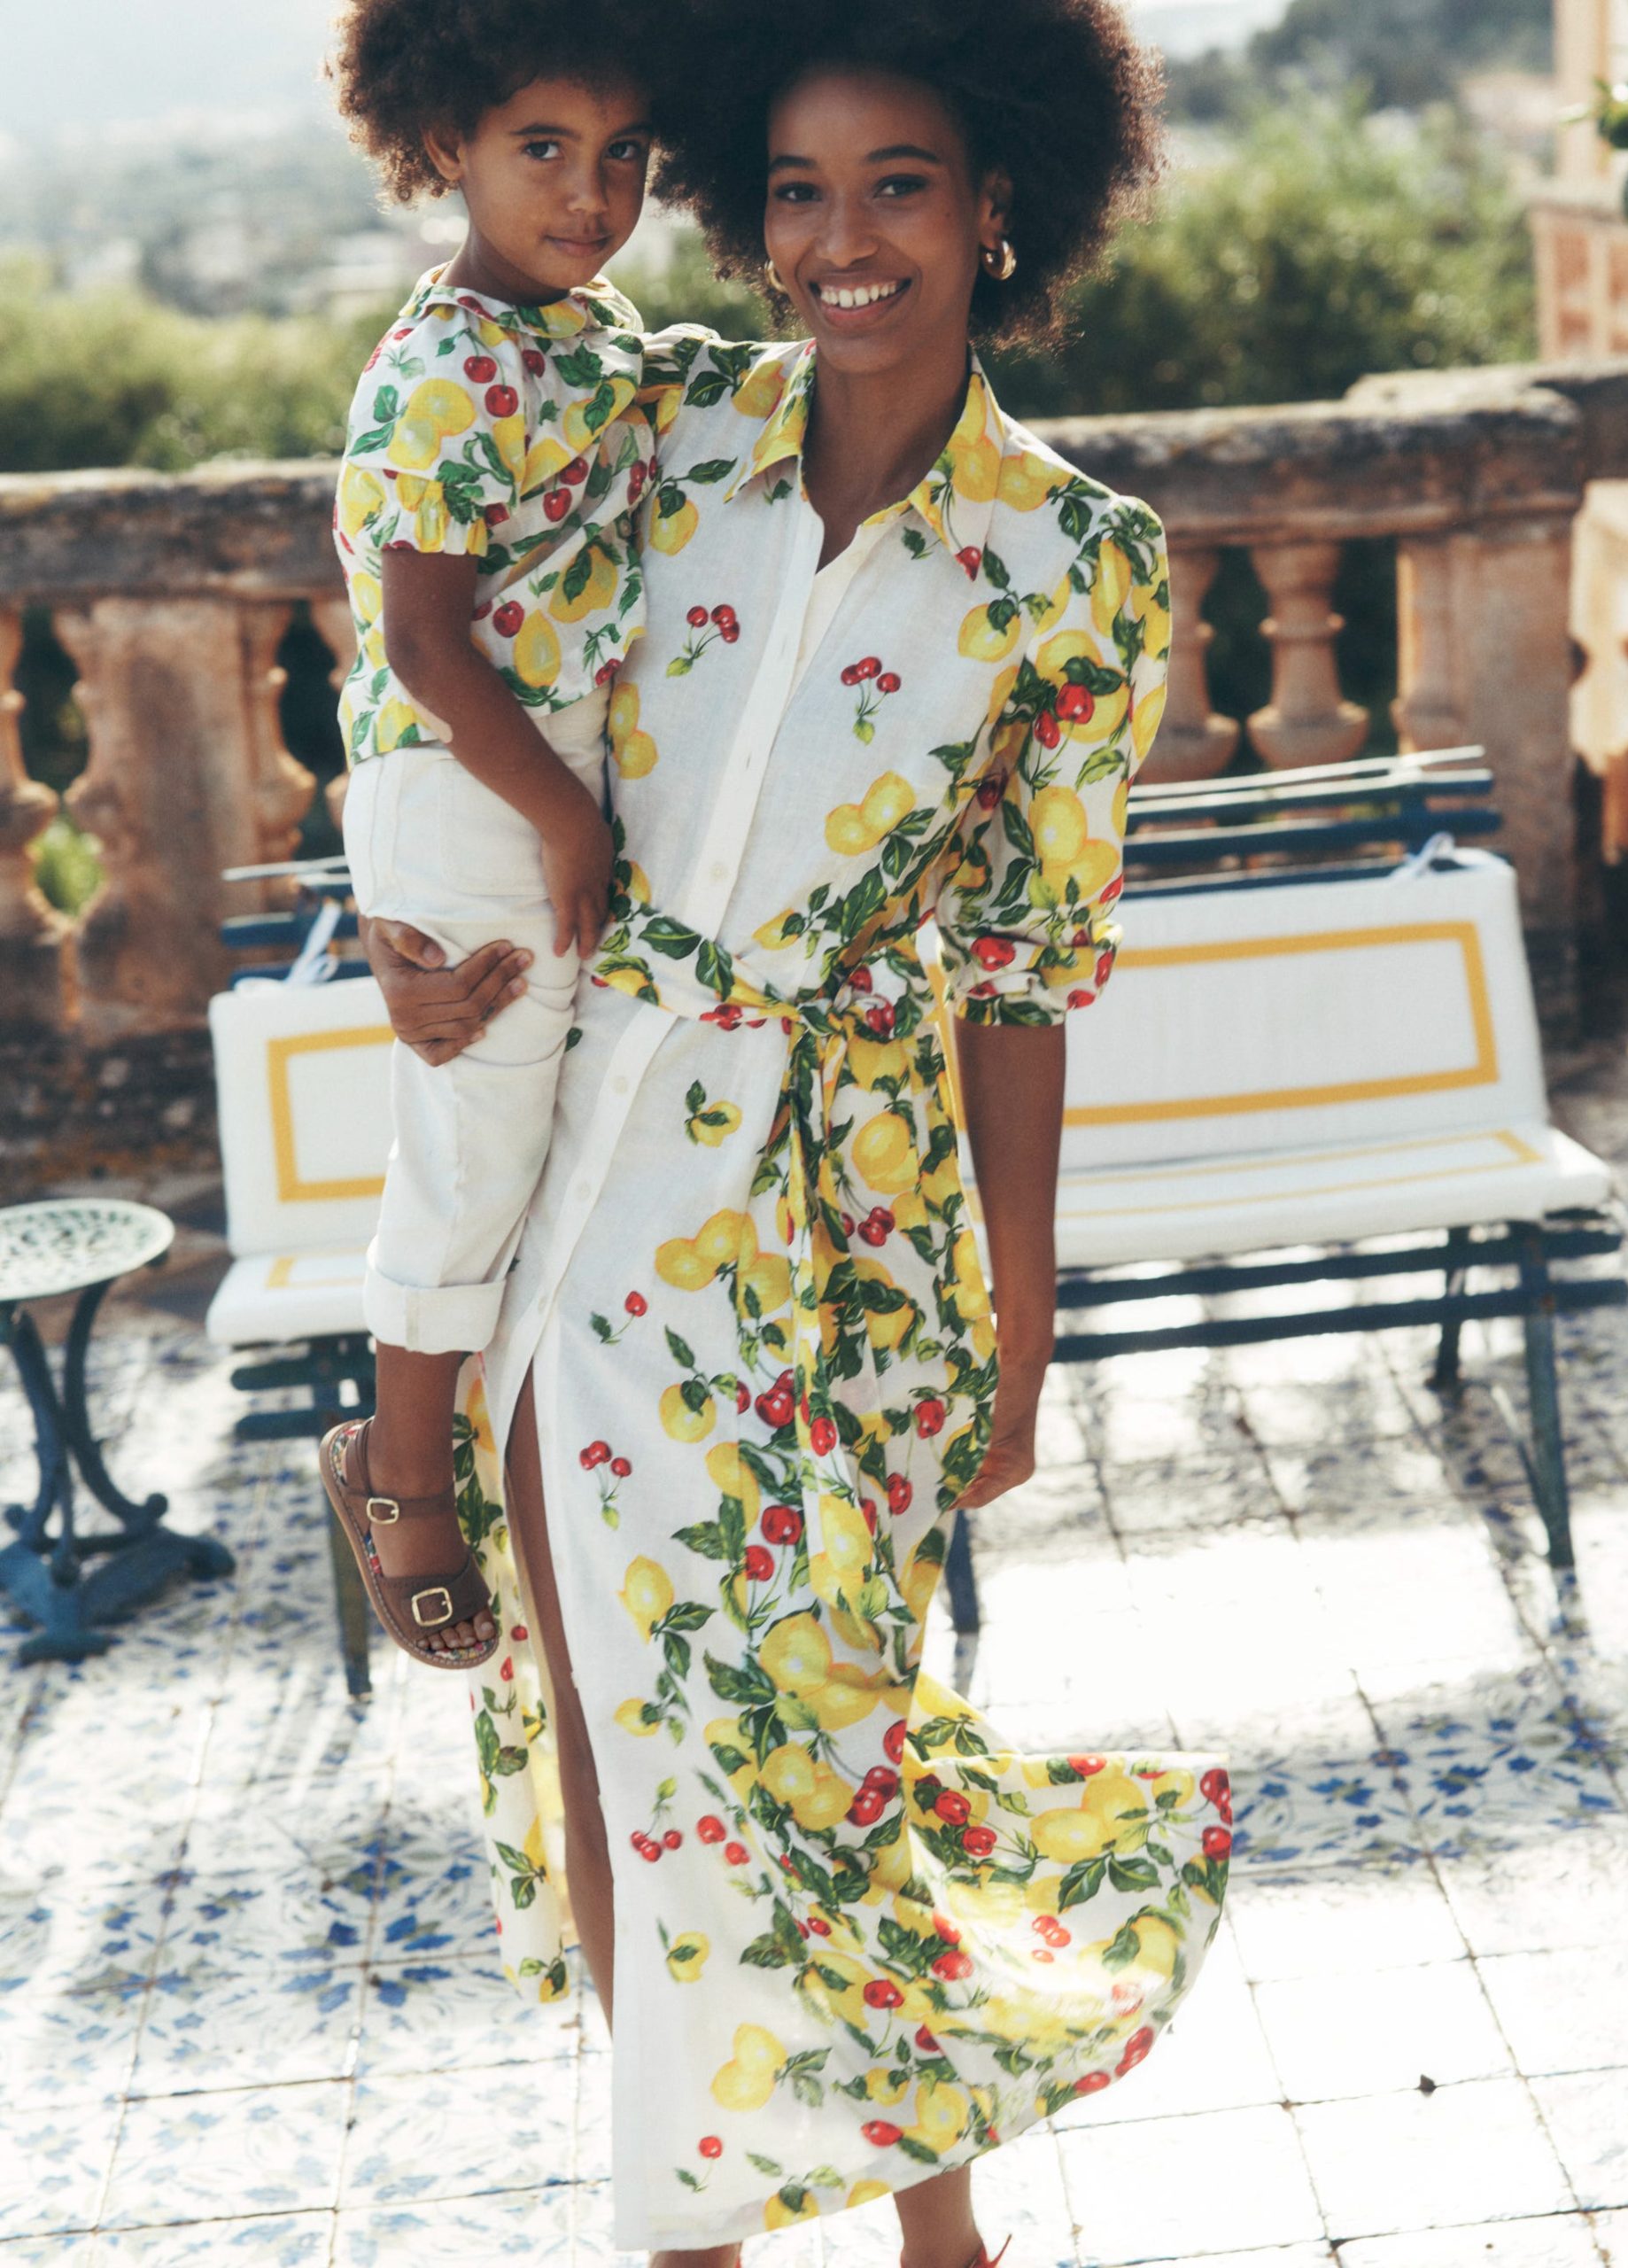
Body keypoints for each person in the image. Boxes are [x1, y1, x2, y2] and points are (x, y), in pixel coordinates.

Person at [363, 3, 1232, 2260]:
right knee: (614, 1739)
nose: (845, 240)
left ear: (1002, 202)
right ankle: (696, 2234)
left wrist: (1021, 1317)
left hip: (854, 1217)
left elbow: (1025, 973)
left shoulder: (1076, 562)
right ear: (751, 221)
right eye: (797, 190)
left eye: (900, 185)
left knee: (837, 1730)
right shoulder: (661, 432)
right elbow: (437, 632)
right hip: (589, 1187)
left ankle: (941, 2230)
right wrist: (405, 917)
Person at [318, 0, 659, 1668]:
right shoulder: (445, 366)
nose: (590, 194)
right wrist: (567, 822)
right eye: (544, 148)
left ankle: (504, 1440)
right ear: (445, 140)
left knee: (538, 1138)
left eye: (624, 153)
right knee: (476, 1140)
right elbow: (425, 650)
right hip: (481, 779)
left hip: (533, 772)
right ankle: (398, 1476)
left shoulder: (599, 330)